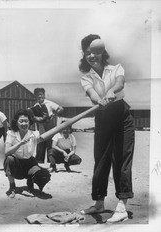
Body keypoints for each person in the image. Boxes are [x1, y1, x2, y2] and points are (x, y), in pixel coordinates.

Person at [78, 34, 135, 223]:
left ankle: (122, 207)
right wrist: (99, 99)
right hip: (103, 116)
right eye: (87, 53)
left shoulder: (116, 68)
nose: (91, 56)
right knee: (100, 161)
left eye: (94, 52)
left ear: (102, 53)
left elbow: (119, 83)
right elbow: (92, 93)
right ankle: (99, 202)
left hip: (122, 115)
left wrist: (112, 91)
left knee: (121, 159)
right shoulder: (86, 77)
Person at [4, 109, 51, 198]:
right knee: (9, 159)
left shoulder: (34, 134)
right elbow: (6, 152)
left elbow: (43, 137)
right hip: (16, 164)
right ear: (16, 122)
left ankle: (30, 184)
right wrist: (20, 143)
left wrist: (40, 122)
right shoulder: (11, 133)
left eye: (26, 121)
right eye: (21, 121)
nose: (24, 124)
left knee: (44, 175)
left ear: (29, 122)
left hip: (30, 163)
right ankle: (12, 187)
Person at [28, 88, 64, 163]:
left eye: (41, 94)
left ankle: (51, 161)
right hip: (40, 125)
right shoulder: (36, 105)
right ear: (36, 96)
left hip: (49, 124)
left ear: (44, 95)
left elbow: (61, 108)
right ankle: (40, 161)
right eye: (38, 95)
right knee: (41, 142)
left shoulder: (49, 103)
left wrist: (54, 114)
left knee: (50, 142)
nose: (40, 96)